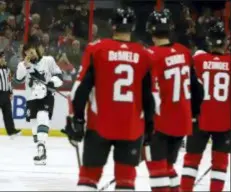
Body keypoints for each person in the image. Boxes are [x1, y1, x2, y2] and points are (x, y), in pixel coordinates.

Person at [64, 7, 155, 191]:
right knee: (125, 180)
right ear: (133, 27)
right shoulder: (144, 55)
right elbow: (149, 97)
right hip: (131, 128)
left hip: (99, 126)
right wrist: (149, 129)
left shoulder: (97, 49)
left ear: (112, 26)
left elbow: (79, 90)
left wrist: (77, 120)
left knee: (88, 177)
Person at [144, 10, 204, 192]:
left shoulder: (150, 55)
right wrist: (194, 114)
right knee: (168, 167)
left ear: (151, 31)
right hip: (182, 123)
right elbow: (198, 88)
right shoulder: (184, 52)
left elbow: (149, 93)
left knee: (157, 169)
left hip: (161, 122)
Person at [181, 22, 231, 192]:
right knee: (220, 162)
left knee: (191, 160)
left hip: (199, 118)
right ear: (225, 42)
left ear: (209, 41)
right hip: (225, 121)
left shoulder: (198, 59)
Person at [14, 42, 63, 165]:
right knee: (35, 129)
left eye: (31, 51)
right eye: (27, 53)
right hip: (31, 98)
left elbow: (59, 76)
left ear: (36, 50)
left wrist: (52, 82)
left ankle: (42, 151)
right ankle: (40, 149)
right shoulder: (23, 65)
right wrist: (24, 65)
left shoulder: (48, 60)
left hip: (46, 95)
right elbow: (18, 79)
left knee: (43, 117)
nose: (30, 54)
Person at [0, 50, 20, 138]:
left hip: (5, 94)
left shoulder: (7, 69)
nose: (4, 59)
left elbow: (9, 82)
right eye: (2, 57)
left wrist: (10, 92)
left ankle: (11, 131)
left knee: (8, 113)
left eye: (4, 57)